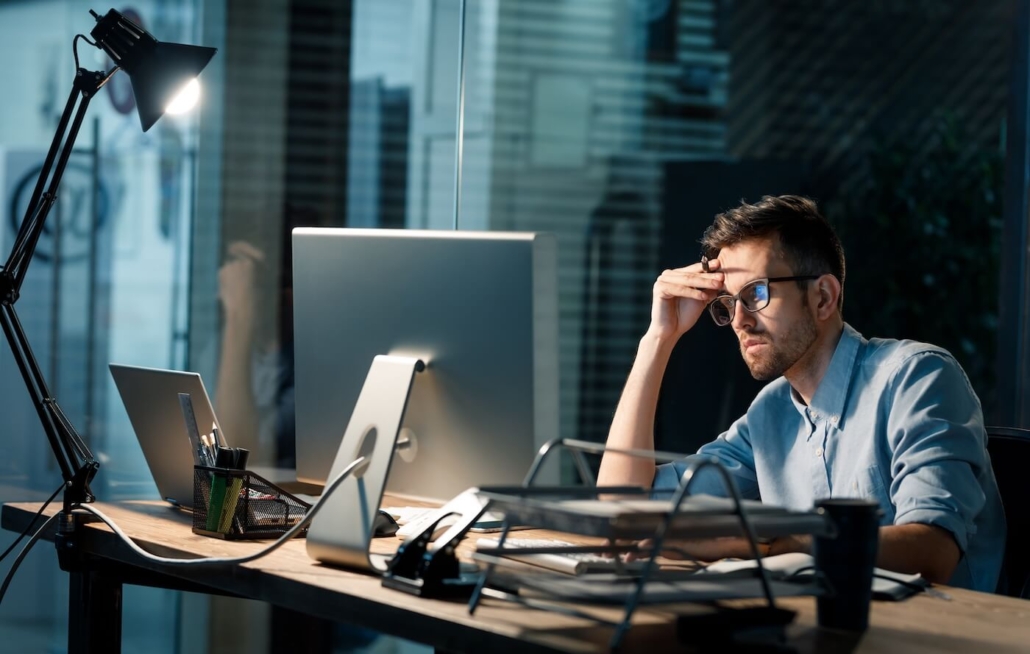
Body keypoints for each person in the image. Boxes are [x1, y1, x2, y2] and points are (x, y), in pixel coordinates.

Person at [597, 194, 1005, 592]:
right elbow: (625, 509)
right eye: (728, 302)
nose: (738, 320)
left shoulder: (916, 377)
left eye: (756, 294)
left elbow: (933, 550)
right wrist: (658, 338)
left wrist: (766, 546)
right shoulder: (770, 413)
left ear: (823, 297)